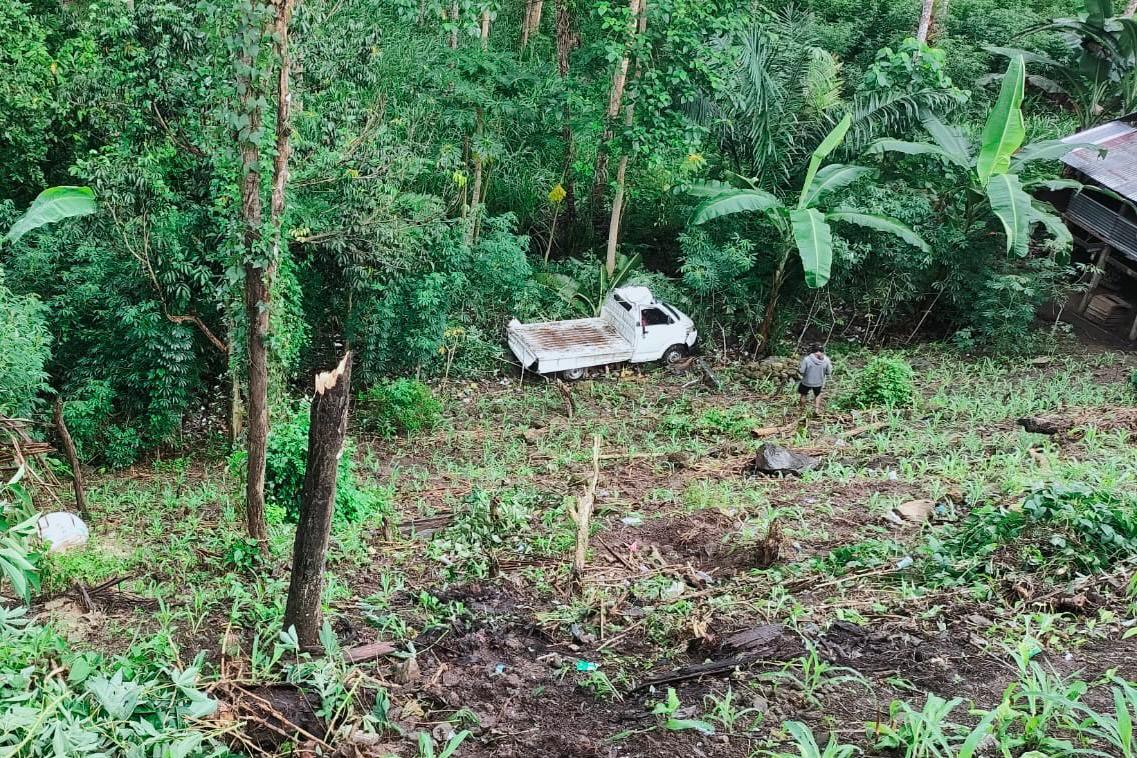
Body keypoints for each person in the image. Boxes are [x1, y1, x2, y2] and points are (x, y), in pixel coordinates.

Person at [797, 344, 832, 414]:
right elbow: (829, 372)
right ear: (822, 351)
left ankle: (801, 410)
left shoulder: (807, 359)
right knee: (817, 394)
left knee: (803, 394)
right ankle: (816, 410)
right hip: (819, 382)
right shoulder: (826, 360)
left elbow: (801, 371)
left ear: (813, 351)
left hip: (806, 381)